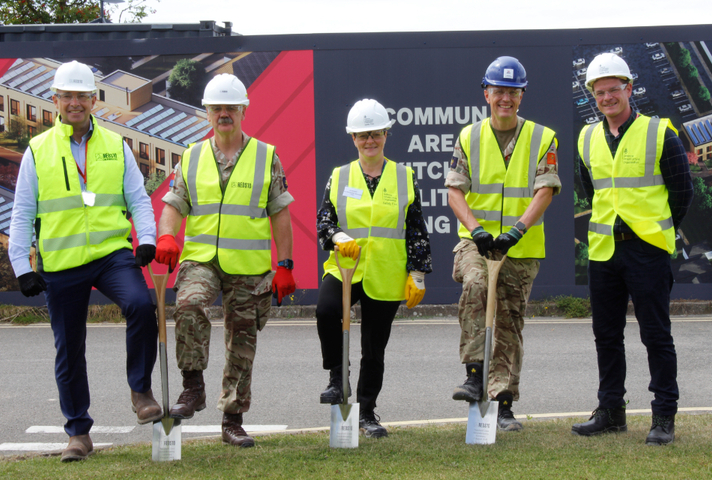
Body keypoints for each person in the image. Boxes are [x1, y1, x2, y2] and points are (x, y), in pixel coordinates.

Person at [8, 61, 161, 462]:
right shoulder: (38, 151)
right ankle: (78, 433)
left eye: (82, 96)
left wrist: (146, 239)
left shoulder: (116, 145)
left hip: (111, 254)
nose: (75, 103)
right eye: (67, 96)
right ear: (55, 101)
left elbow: (139, 199)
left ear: (94, 100)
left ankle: (140, 390)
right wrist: (22, 268)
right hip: (62, 263)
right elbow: (22, 214)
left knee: (142, 306)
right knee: (69, 349)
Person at [154, 73, 296, 448]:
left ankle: (232, 419)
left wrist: (285, 265)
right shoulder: (192, 155)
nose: (223, 114)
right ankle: (193, 387)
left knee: (242, 341)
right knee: (188, 306)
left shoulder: (266, 156)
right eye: (216, 108)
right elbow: (173, 205)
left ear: (243, 110)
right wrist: (167, 235)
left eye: (230, 107)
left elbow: (280, 213)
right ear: (206, 113)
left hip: (249, 267)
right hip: (202, 259)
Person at [571, 53, 693, 445]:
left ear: (629, 88)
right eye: (599, 92)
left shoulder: (660, 132)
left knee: (656, 335)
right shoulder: (587, 137)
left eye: (613, 90)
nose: (607, 97)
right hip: (605, 249)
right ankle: (611, 411)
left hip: (647, 250)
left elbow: (682, 192)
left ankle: (663, 416)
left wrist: (654, 229)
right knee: (606, 334)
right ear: (593, 95)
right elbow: (589, 191)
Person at [445, 56, 560, 431]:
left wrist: (518, 230)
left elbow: (545, 190)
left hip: (519, 247)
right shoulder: (469, 136)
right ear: (486, 94)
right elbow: (454, 192)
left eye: (512, 92)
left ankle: (503, 403)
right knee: (477, 285)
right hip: (476, 242)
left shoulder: (544, 137)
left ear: (522, 96)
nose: (505, 98)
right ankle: (474, 375)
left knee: (509, 322)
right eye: (498, 91)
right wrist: (476, 229)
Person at [316, 98, 432, 438]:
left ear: (386, 134)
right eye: (363, 135)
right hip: (345, 267)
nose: (370, 141)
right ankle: (337, 376)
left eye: (376, 134)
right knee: (326, 311)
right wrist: (338, 235)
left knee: (374, 347)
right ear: (353, 138)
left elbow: (415, 229)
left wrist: (418, 273)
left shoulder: (404, 175)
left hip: (386, 271)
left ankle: (367, 413)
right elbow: (325, 220)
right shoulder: (339, 177)